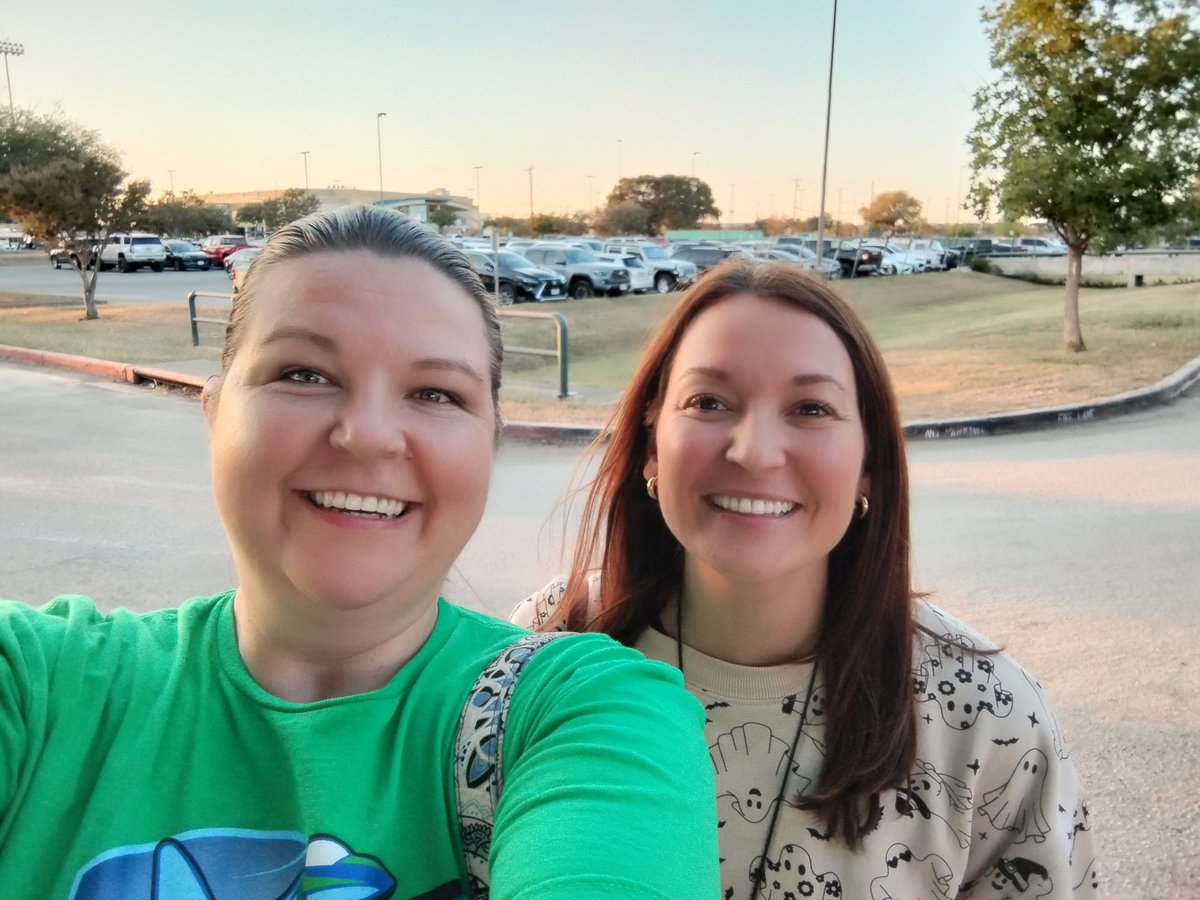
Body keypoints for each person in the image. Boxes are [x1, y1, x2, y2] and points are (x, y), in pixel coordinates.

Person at [0, 206, 720, 898]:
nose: (369, 434)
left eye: (435, 393)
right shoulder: (39, 687)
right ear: (216, 412)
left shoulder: (591, 712)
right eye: (303, 374)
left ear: (489, 442)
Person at [511, 260, 1099, 899]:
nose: (756, 450)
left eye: (811, 408)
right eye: (708, 401)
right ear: (653, 445)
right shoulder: (549, 645)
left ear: (868, 464)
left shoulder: (986, 713)